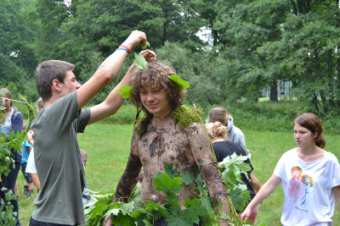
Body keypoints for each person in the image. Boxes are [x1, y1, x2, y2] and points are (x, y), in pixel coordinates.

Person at [29, 30, 147, 226]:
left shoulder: (64, 119)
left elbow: (109, 106)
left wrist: (135, 69)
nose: (78, 85)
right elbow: (105, 76)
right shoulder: (52, 116)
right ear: (56, 85)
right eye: (73, 80)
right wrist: (130, 41)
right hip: (53, 222)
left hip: (62, 220)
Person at [106, 60, 230, 226]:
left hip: (183, 219)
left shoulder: (190, 126)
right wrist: (115, 210)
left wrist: (224, 218)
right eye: (144, 92)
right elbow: (130, 173)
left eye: (156, 91)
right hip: (148, 216)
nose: (149, 98)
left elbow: (212, 176)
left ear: (170, 92)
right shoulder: (141, 128)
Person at [241, 113, 340, 225]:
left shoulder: (329, 161)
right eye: (295, 131)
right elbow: (270, 184)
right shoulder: (288, 157)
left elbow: (338, 194)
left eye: (302, 132)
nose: (297, 136)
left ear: (315, 134)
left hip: (319, 223)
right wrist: (251, 206)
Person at [205, 121, 261, 202]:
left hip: (231, 201)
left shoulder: (211, 151)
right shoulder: (238, 147)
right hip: (248, 198)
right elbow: (253, 178)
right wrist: (259, 199)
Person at [0, 87, 24, 226]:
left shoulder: (16, 115)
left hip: (13, 159)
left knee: (8, 190)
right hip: (1, 159)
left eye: (6, 98)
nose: (3, 101)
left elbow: (16, 138)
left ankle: (15, 222)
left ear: (10, 99)